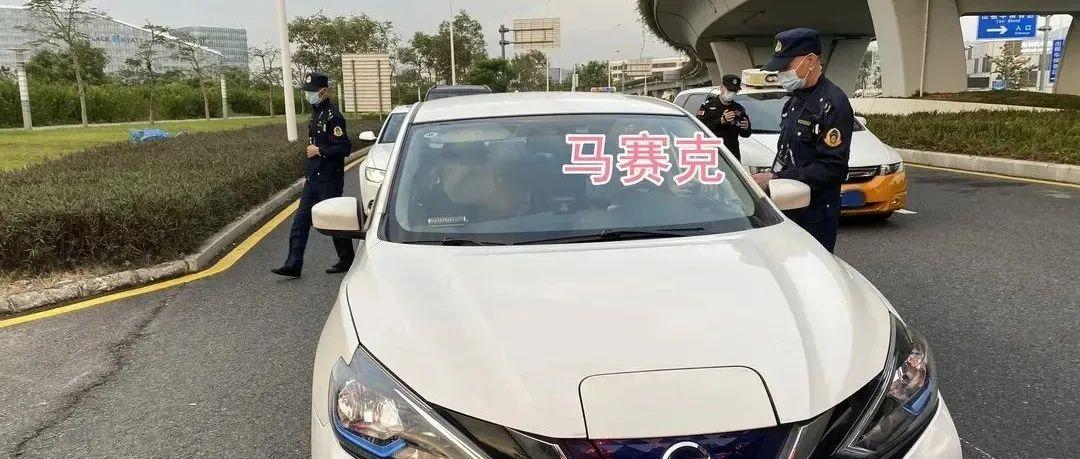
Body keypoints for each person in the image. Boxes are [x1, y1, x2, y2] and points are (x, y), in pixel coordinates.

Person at [751, 28, 852, 253]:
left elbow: (832, 167)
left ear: (811, 61)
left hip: (815, 213)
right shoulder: (795, 100)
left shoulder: (833, 104)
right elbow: (788, 152)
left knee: (811, 269)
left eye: (785, 67)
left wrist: (777, 177)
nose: (781, 73)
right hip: (787, 205)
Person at [272, 72, 355, 278]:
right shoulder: (316, 113)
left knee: (334, 220)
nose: (308, 95)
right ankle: (293, 264)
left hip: (329, 179)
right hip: (313, 178)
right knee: (300, 222)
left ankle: (347, 258)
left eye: (312, 91)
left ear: (323, 91)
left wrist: (320, 151)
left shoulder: (333, 116)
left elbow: (344, 148)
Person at [696, 74, 751, 160]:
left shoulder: (738, 108)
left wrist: (746, 127)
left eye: (734, 91)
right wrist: (721, 121)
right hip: (712, 153)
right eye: (729, 90)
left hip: (732, 154)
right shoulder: (707, 107)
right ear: (721, 87)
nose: (731, 93)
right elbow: (699, 129)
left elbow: (746, 134)